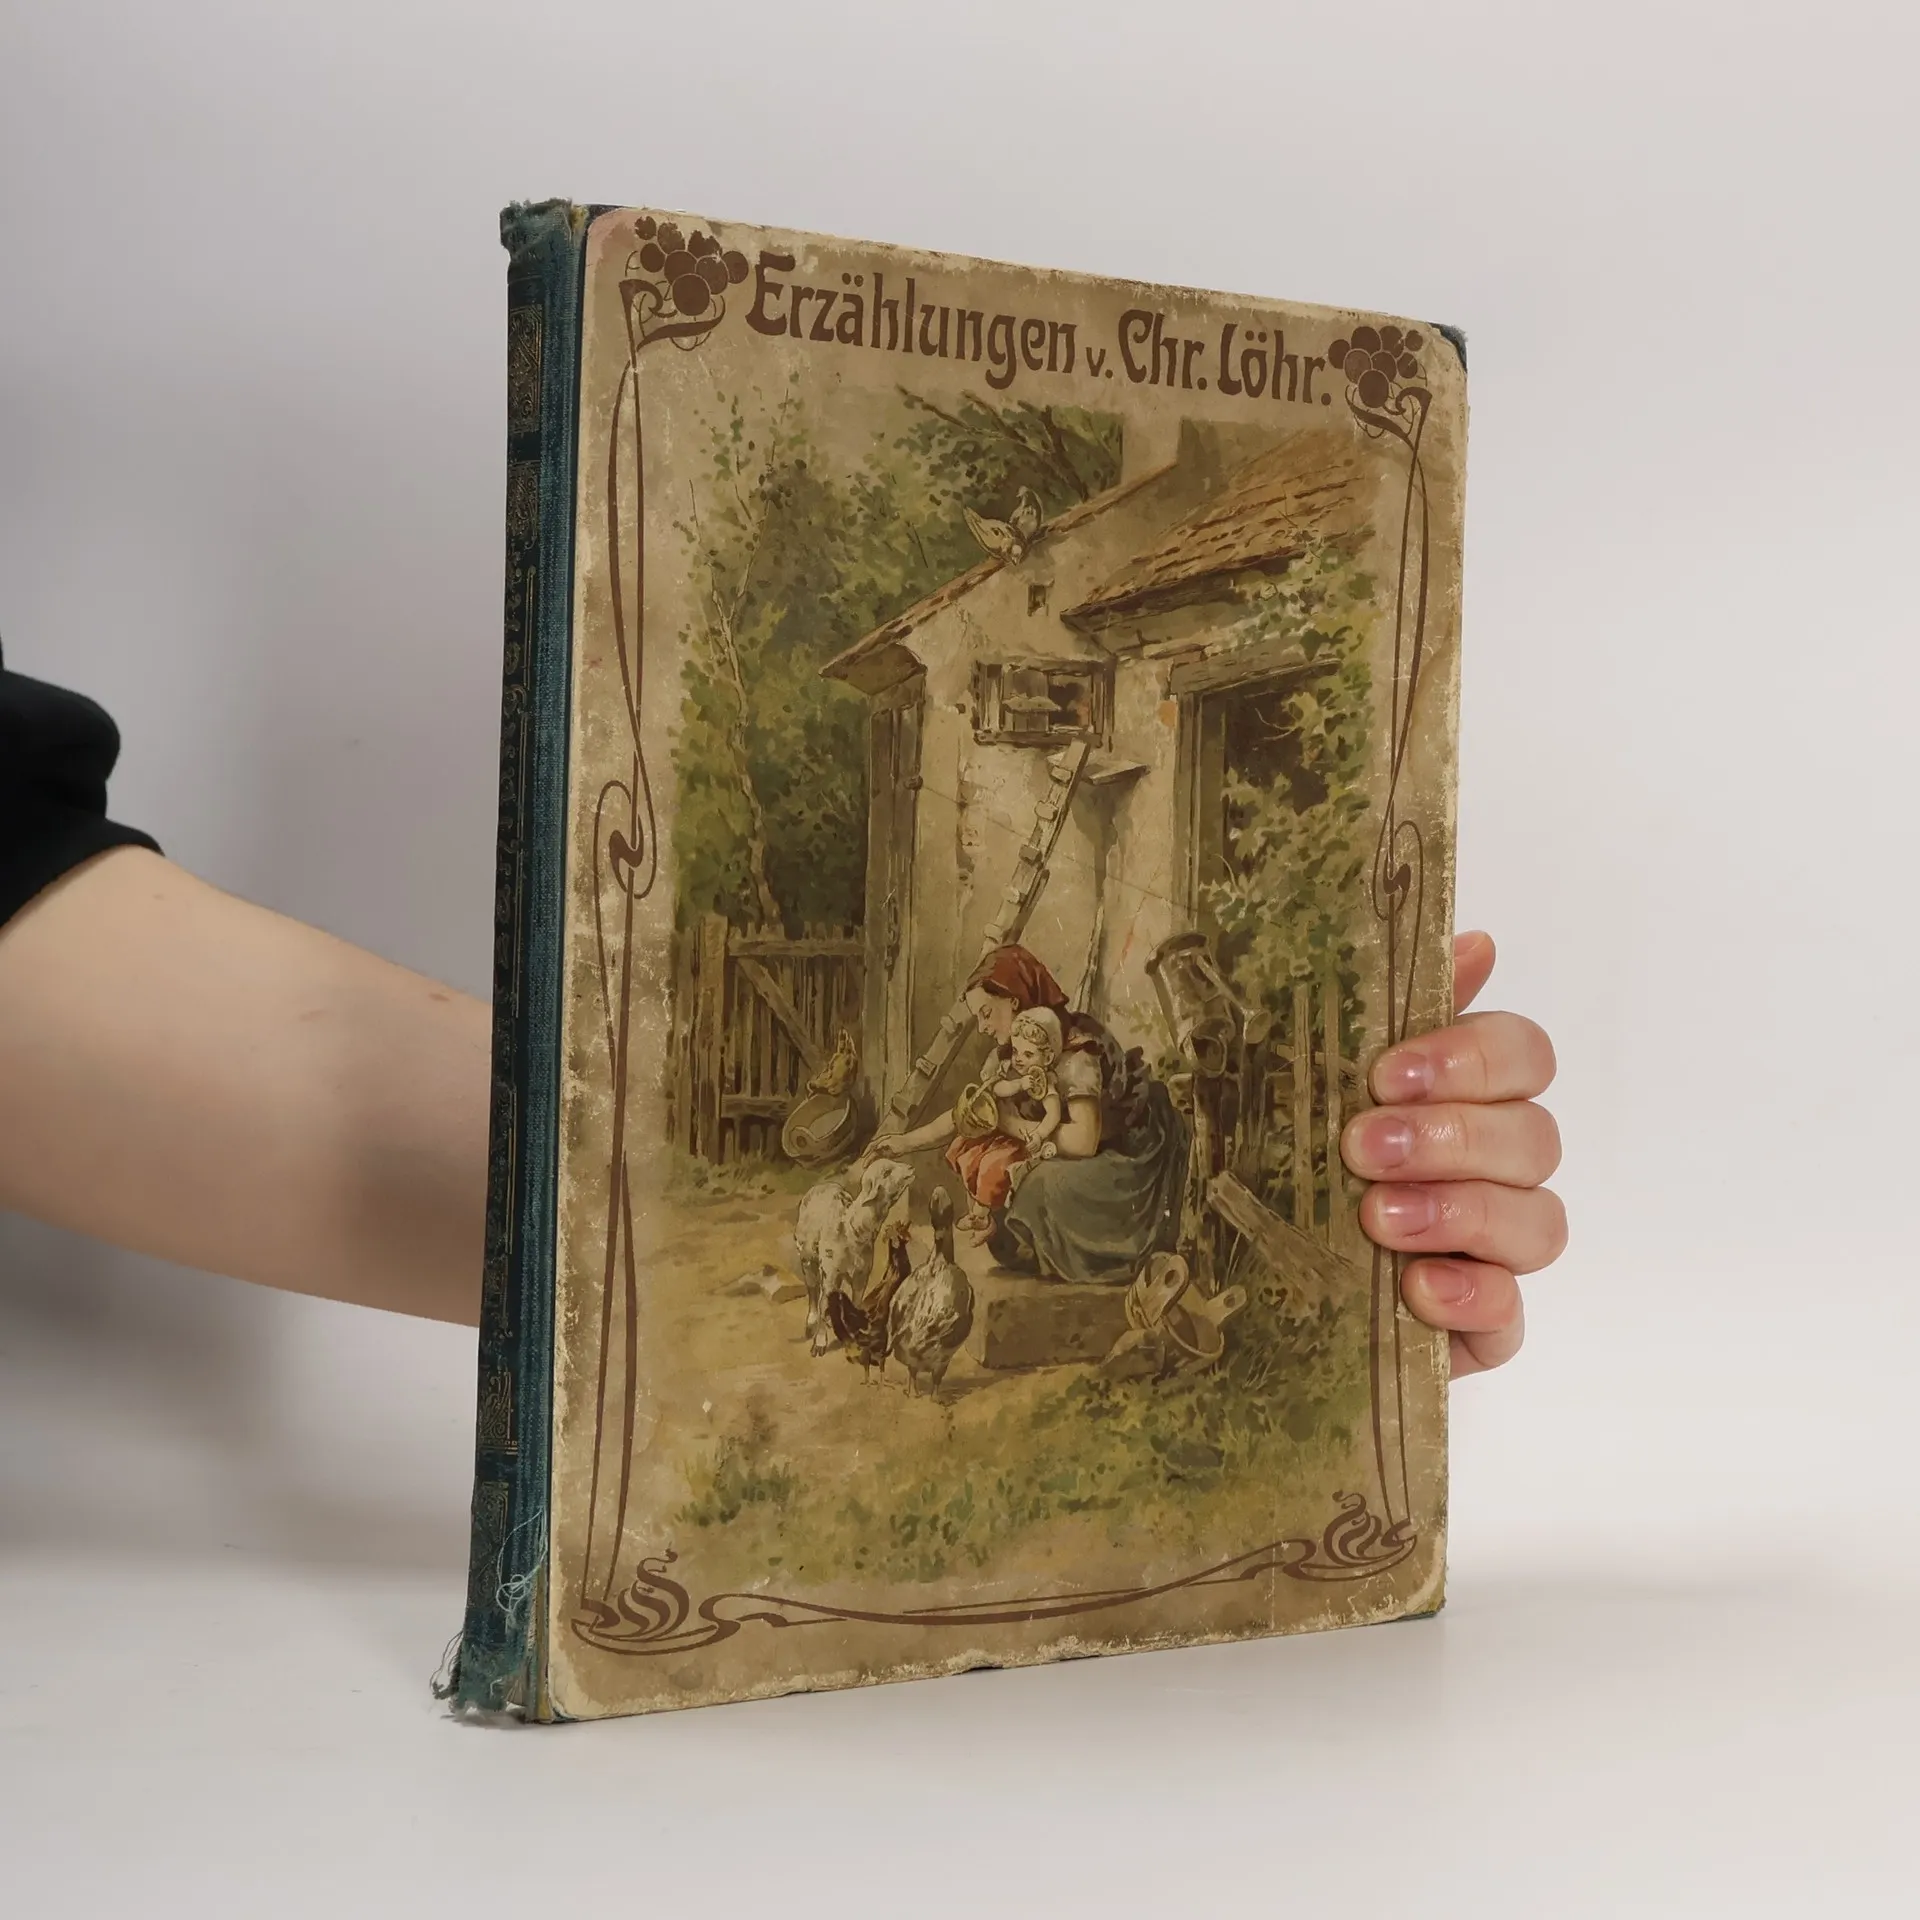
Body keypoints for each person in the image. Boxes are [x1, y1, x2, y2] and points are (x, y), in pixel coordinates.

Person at [0, 645, 1564, 1374]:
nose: (1005, 1034)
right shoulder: (1031, 1052)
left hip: (1099, 1176)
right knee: (980, 1175)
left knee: (1003, 1183)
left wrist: (1349, 1295)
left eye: (1012, 1020)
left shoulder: (1074, 1053)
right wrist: (937, 1145)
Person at [947, 1001, 1066, 1236]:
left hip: (1020, 1142)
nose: (1019, 1059)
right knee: (967, 1152)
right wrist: (1018, 1084)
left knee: (992, 1165)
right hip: (1001, 1134)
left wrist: (1039, 1135)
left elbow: (1054, 1114)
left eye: (1028, 1054)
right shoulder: (1014, 1072)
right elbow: (998, 1089)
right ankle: (976, 1213)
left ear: (1047, 1057)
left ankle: (981, 1216)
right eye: (1016, 1051)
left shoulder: (1043, 1082)